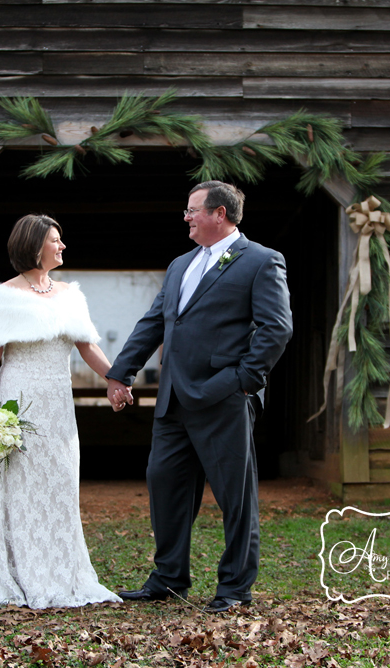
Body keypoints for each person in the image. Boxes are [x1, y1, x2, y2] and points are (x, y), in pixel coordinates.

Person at [105, 181, 293, 614]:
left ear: (220, 213)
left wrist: (243, 380)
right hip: (173, 400)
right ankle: (168, 579)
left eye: (192, 210)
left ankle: (234, 588)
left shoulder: (262, 261)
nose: (186, 217)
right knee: (164, 485)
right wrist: (121, 372)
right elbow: (154, 322)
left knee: (235, 497)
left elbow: (276, 328)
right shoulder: (179, 265)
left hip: (224, 398)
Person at [0, 214, 122, 609]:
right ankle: (18, 572)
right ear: (34, 245)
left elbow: (87, 347)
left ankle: (61, 573)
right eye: (56, 240)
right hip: (19, 400)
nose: (62, 247)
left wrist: (118, 378)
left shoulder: (71, 294)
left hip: (59, 405)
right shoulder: (3, 295)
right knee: (20, 486)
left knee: (59, 483)